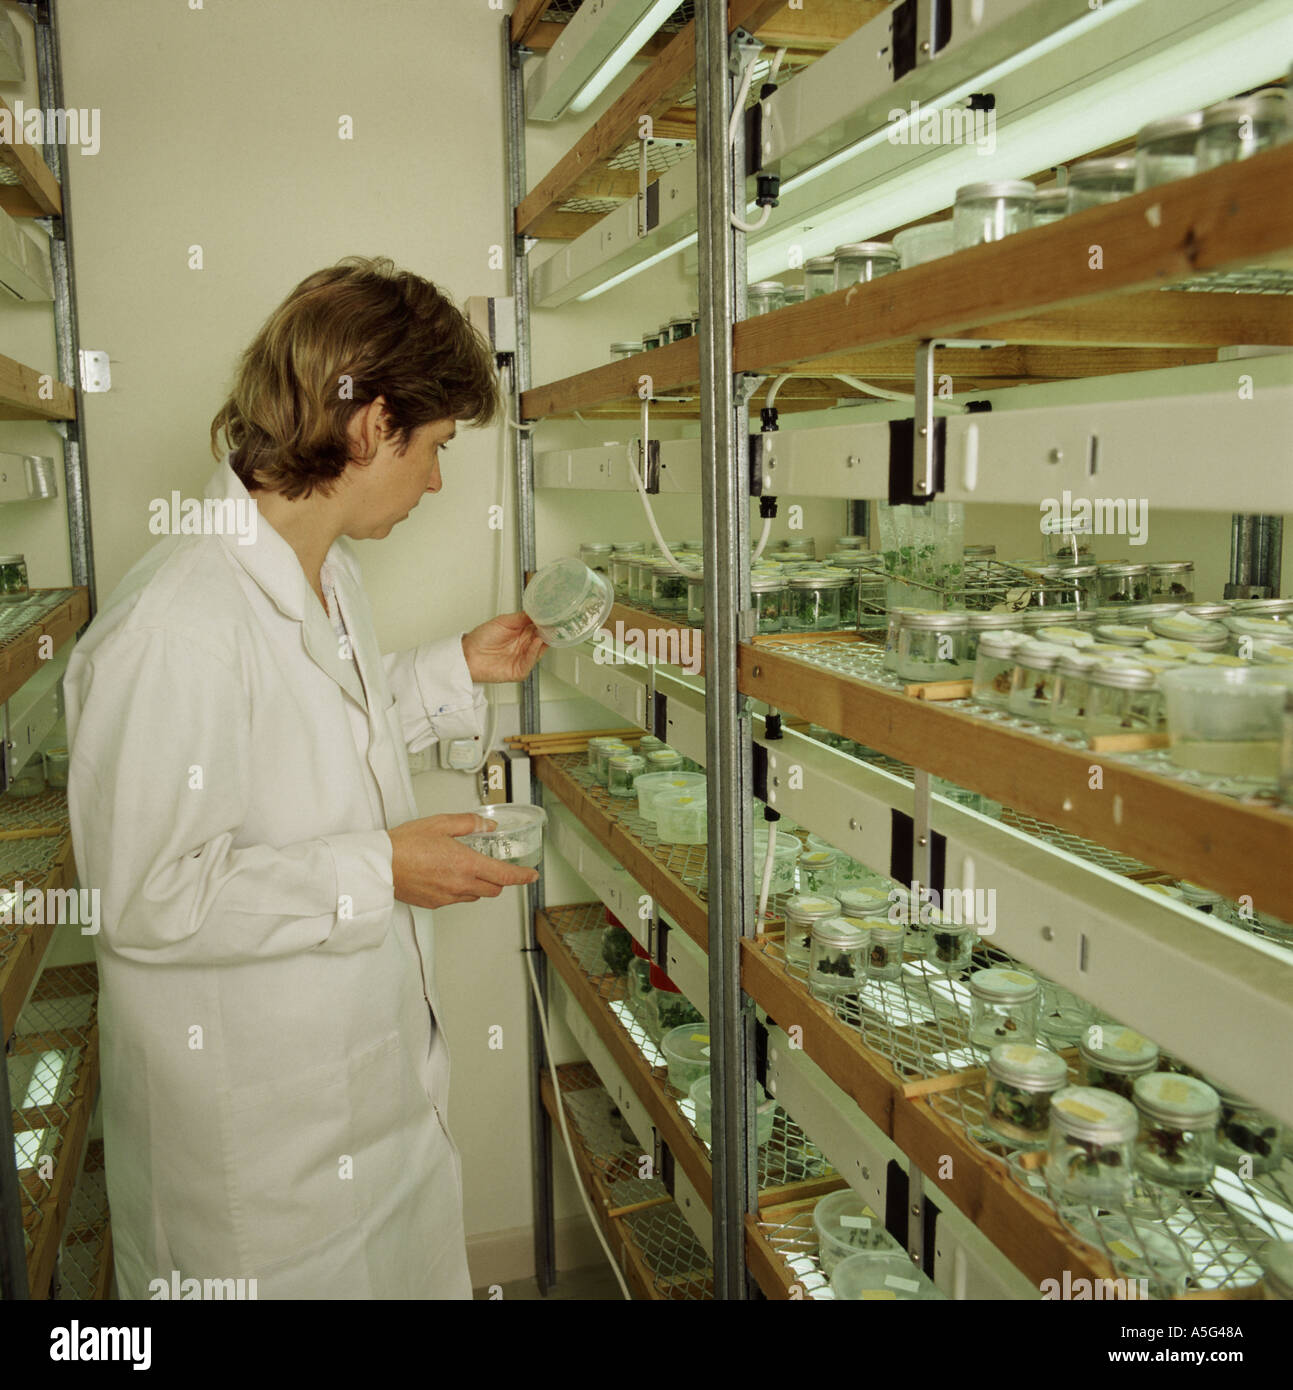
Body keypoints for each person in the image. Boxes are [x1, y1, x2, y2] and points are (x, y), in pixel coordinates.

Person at [63, 257, 545, 1299]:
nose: (436, 481)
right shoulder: (175, 630)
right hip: (260, 1181)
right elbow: (147, 898)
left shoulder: (325, 576)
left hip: (364, 1121)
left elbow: (325, 736)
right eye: (435, 447)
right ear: (372, 426)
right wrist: (380, 869)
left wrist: (458, 665)